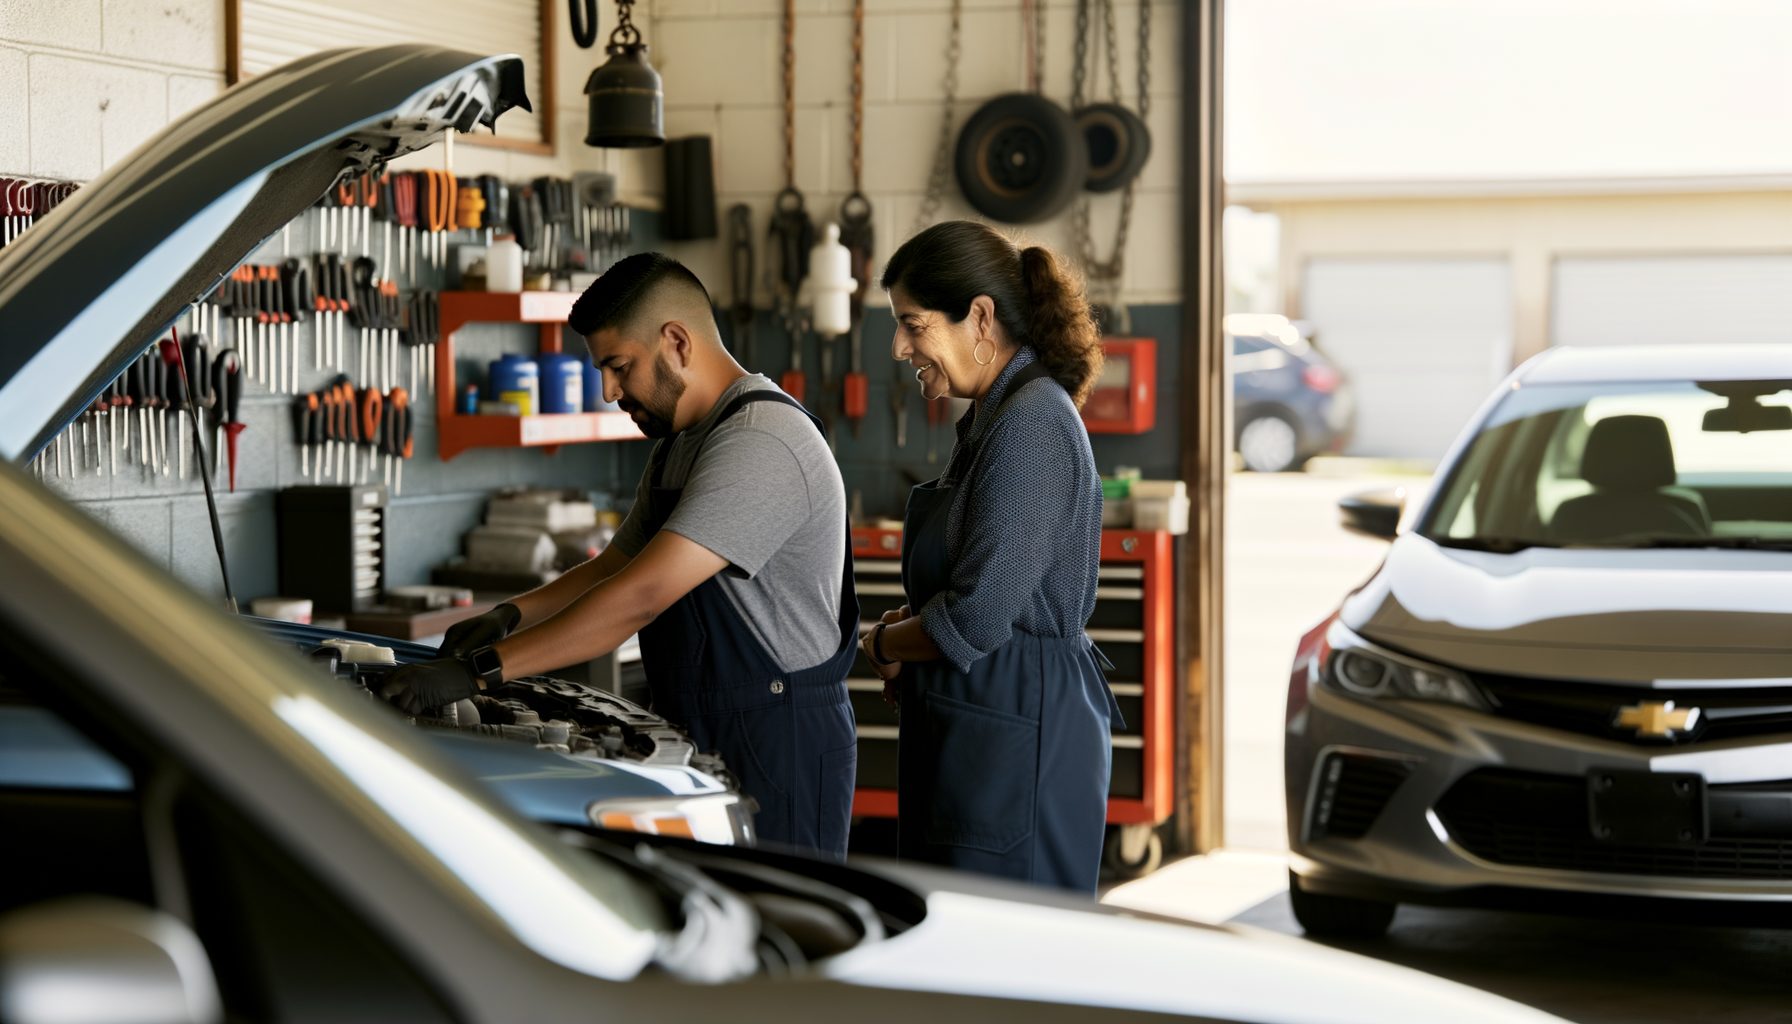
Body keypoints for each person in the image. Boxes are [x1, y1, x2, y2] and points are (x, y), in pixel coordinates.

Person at [384, 253, 860, 858]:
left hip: (777, 743)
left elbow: (642, 593)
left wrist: (478, 671)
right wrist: (508, 616)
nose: (608, 391)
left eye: (619, 366)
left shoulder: (761, 442)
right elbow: (616, 565)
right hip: (704, 730)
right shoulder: (683, 444)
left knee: (779, 940)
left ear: (677, 342)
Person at [858, 220, 1116, 893]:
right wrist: (909, 637)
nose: (899, 346)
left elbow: (975, 619)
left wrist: (883, 641)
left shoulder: (1031, 423)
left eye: (913, 325)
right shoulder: (994, 417)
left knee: (1011, 957)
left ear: (979, 317)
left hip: (1020, 729)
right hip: (981, 721)